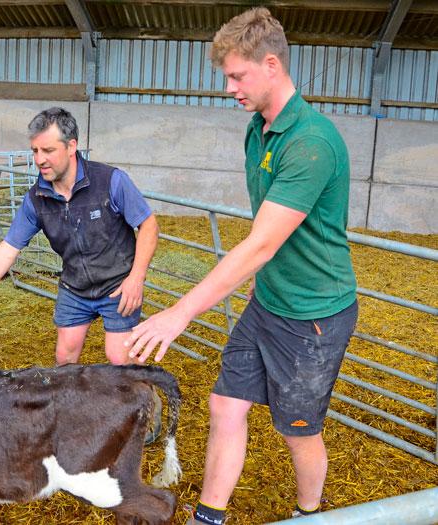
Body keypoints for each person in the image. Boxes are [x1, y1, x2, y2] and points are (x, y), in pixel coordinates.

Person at [125, 8, 358, 524]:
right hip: (270, 300)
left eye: (237, 75)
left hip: (313, 313)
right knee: (225, 406)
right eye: (226, 76)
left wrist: (181, 313)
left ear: (271, 64)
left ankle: (309, 513)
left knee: (298, 431)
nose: (228, 87)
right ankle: (210, 516)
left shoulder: (311, 142)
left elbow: (260, 246)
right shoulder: (259, 129)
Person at [0, 107, 159, 367]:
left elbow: (149, 226)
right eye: (35, 151)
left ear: (71, 146)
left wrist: (136, 277)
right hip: (75, 286)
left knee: (120, 359)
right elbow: (7, 249)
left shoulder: (110, 181)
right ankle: (70, 407)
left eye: (48, 150)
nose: (39, 159)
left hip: (118, 284)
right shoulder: (37, 198)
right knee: (64, 359)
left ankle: (145, 400)